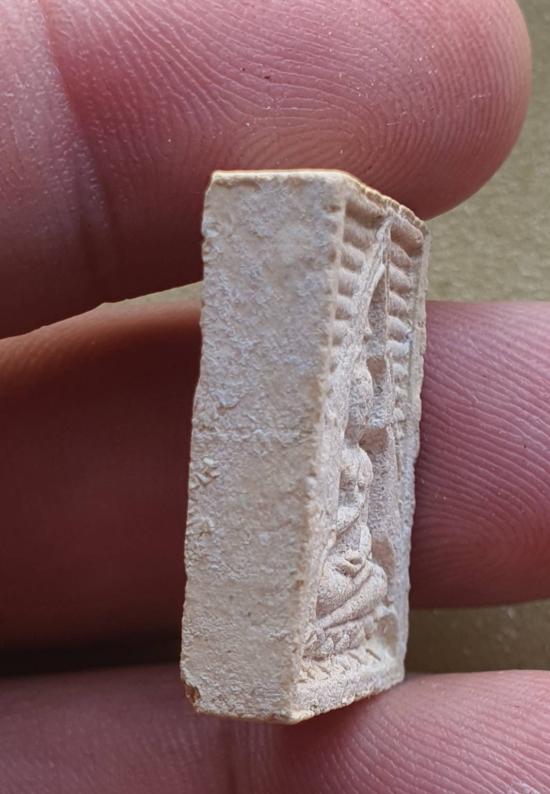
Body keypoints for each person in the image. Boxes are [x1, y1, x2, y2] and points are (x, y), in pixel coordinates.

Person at [1, 0, 548, 791]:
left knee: (357, 562)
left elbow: (356, 508)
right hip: (319, 593)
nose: (365, 407)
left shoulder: (354, 453)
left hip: (335, 595)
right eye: (357, 390)